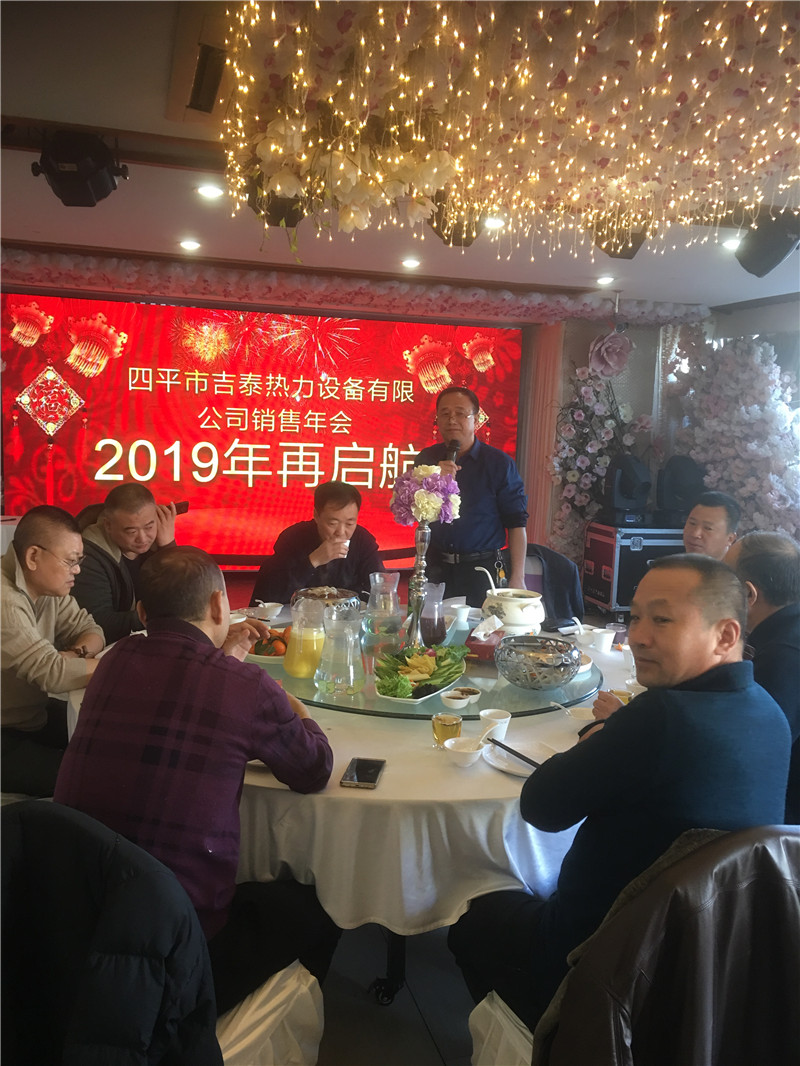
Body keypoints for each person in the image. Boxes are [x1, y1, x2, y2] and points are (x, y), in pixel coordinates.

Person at [447, 554, 790, 1032]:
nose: (639, 636)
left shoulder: (660, 718)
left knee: (472, 918)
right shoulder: (770, 713)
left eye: (662, 620)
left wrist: (602, 735)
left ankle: (541, 1035)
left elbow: (541, 807)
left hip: (600, 958)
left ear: (725, 635)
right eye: (636, 617)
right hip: (705, 957)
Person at [54, 545, 340, 1016]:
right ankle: (220, 1025)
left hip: (76, 918)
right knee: (318, 904)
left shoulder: (115, 660)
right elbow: (314, 770)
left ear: (142, 613)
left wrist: (226, 661)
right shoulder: (247, 687)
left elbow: (178, 686)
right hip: (177, 948)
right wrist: (297, 710)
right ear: (218, 605)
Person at [1, 506, 104, 795]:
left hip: (32, 715)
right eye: (70, 561)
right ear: (33, 557)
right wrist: (121, 664)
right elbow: (53, 675)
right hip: (6, 730)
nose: (77, 570)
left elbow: (92, 629)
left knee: (108, 739)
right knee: (87, 779)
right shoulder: (5, 600)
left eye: (79, 561)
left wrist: (74, 654)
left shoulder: (47, 587)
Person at [414, 386, 529, 606]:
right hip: (436, 568)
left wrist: (518, 576)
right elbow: (417, 512)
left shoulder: (499, 464)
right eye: (445, 414)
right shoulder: (426, 459)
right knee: (430, 626)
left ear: (476, 420)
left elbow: (516, 522)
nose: (451, 420)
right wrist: (435, 479)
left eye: (460, 413)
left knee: (483, 627)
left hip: (482, 571)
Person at [725, 531, 800, 823]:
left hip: (781, 820)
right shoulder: (782, 633)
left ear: (748, 595)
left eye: (723, 582)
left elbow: (751, 749)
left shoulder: (784, 655)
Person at [71, 483, 178, 643]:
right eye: (132, 531)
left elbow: (183, 595)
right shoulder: (88, 555)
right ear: (108, 525)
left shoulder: (159, 542)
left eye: (149, 527)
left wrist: (168, 548)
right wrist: (163, 618)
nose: (143, 538)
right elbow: (100, 622)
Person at [250, 480, 384, 604]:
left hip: (347, 617)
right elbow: (271, 596)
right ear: (316, 515)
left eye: (350, 523)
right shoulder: (293, 538)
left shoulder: (363, 541)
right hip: (298, 617)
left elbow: (379, 589)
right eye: (332, 523)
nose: (341, 532)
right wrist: (313, 560)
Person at [682, 490, 740, 559]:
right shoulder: (674, 564)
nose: (695, 534)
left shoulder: (739, 565)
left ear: (730, 539)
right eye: (692, 523)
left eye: (708, 528)